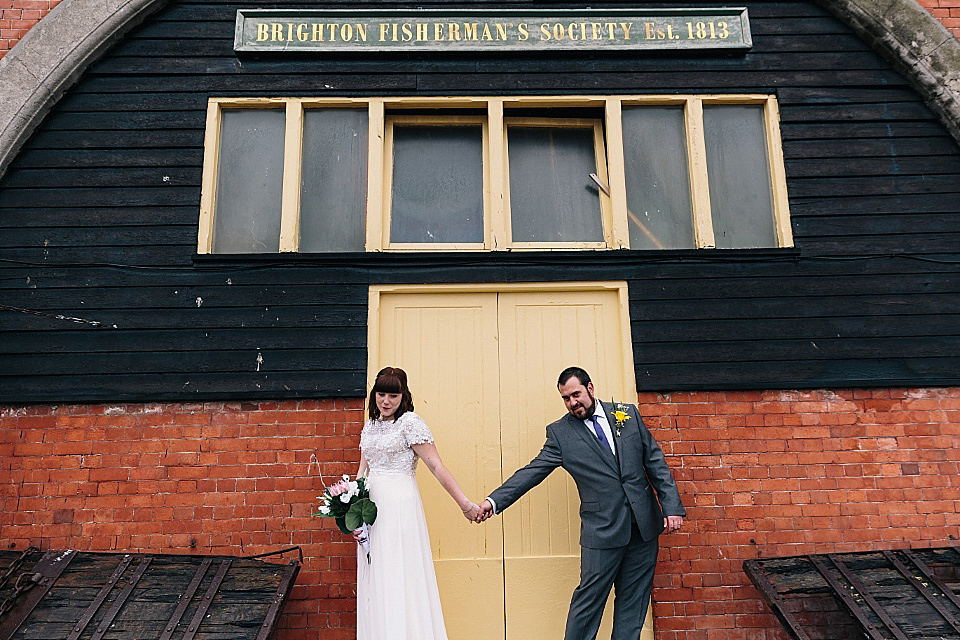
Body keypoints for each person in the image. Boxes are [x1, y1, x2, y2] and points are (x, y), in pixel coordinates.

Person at [477, 366, 685, 640]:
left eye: (576, 394)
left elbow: (655, 462)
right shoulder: (560, 434)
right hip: (602, 532)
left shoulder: (627, 414)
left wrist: (671, 507)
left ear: (590, 388)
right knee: (588, 605)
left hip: (643, 528)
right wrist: (493, 502)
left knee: (633, 605)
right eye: (566, 398)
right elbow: (532, 473)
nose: (572, 402)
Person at [355, 366, 482, 640]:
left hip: (399, 508)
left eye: (392, 395)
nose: (385, 401)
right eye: (381, 394)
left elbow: (436, 466)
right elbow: (362, 472)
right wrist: (352, 513)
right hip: (371, 514)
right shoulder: (370, 426)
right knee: (376, 576)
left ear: (403, 396)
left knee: (399, 574)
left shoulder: (410, 423)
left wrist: (464, 504)